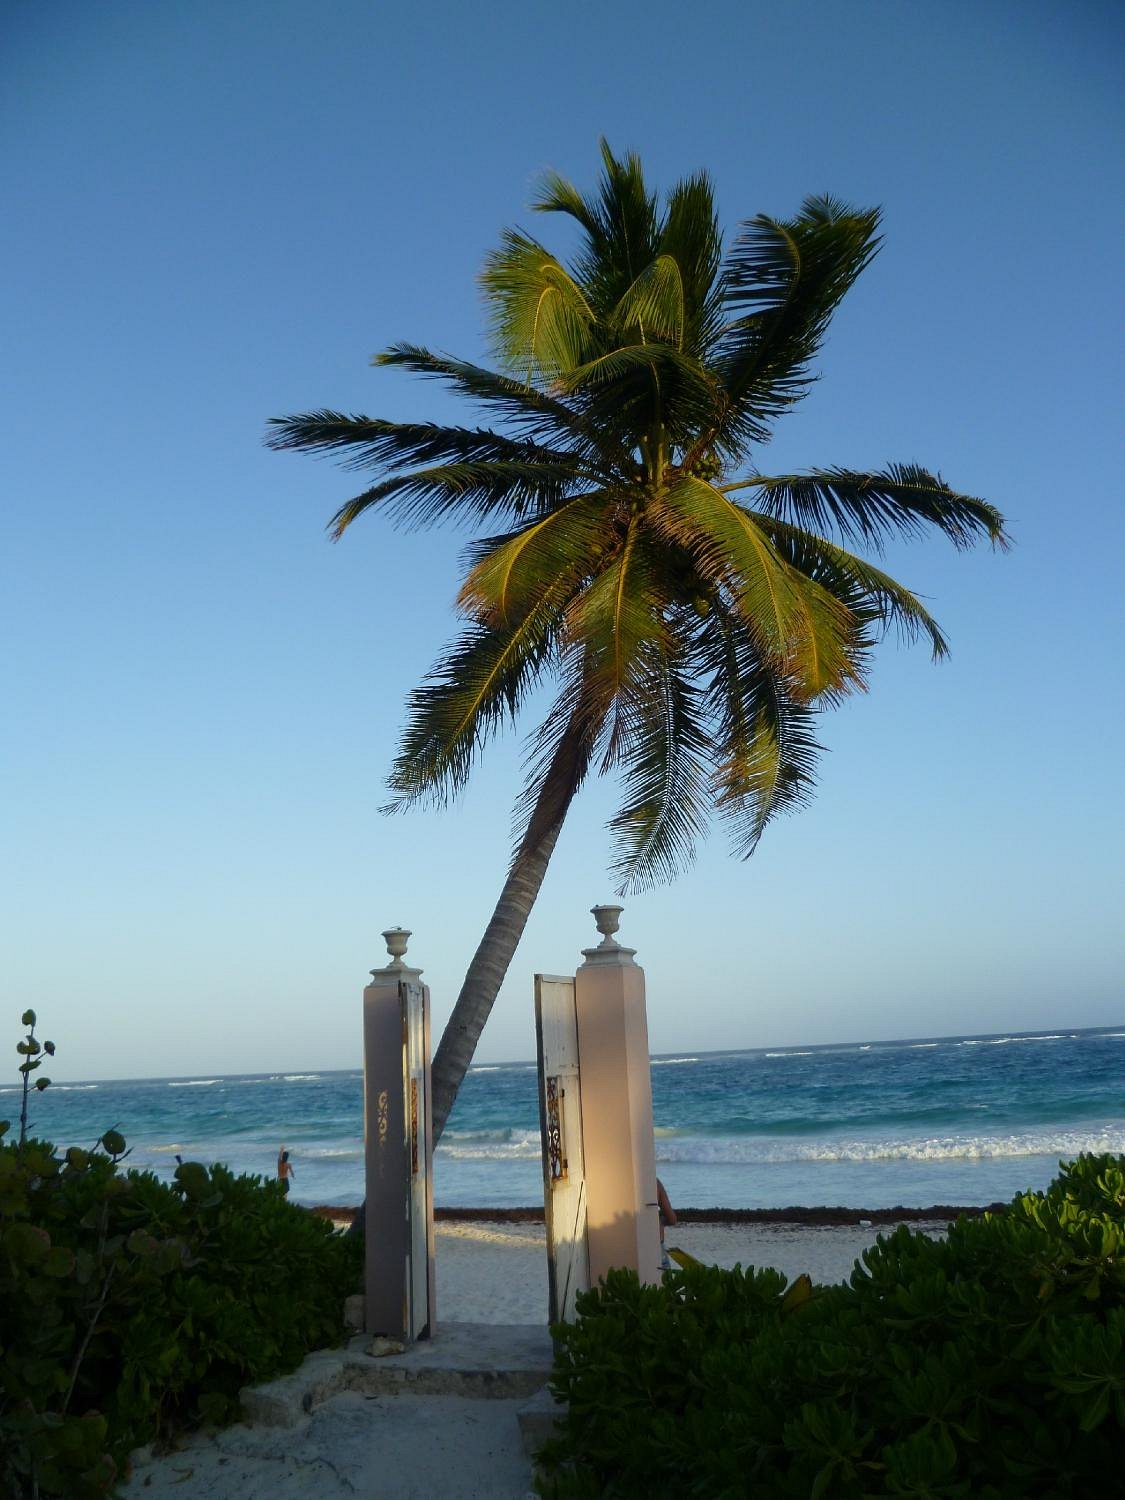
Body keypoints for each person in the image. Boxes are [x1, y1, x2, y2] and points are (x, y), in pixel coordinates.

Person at [656, 1177, 677, 1270]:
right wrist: (660, 1221)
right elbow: (672, 1219)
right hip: (656, 1243)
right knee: (664, 1282)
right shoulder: (654, 1182)